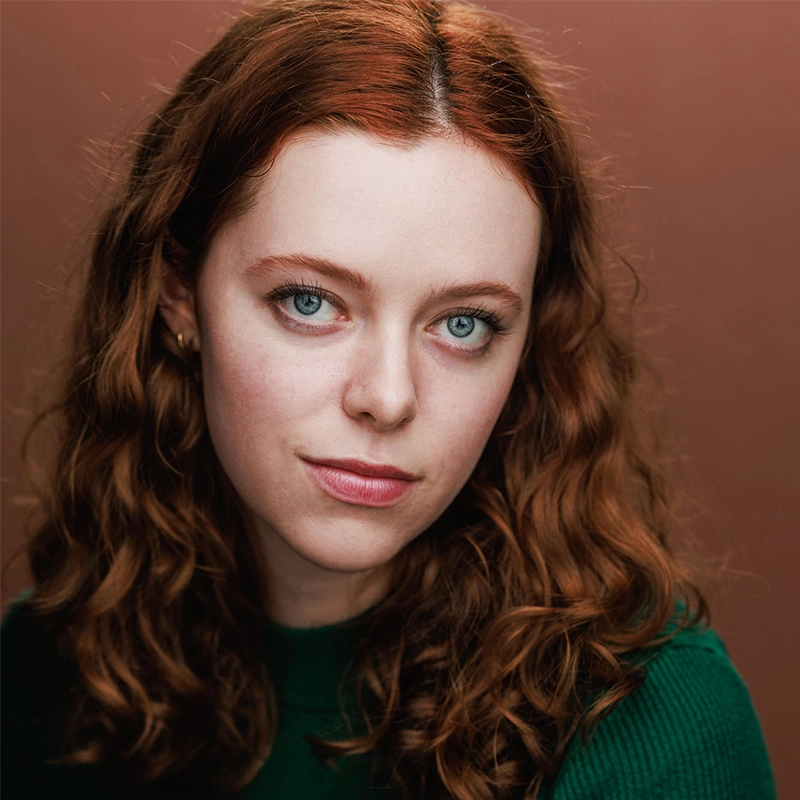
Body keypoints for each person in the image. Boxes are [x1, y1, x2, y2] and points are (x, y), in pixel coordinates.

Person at [0, 0, 775, 797]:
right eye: (310, 302)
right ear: (178, 295)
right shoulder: (42, 678)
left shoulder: (653, 722)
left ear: (531, 342)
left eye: (465, 323)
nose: (389, 397)